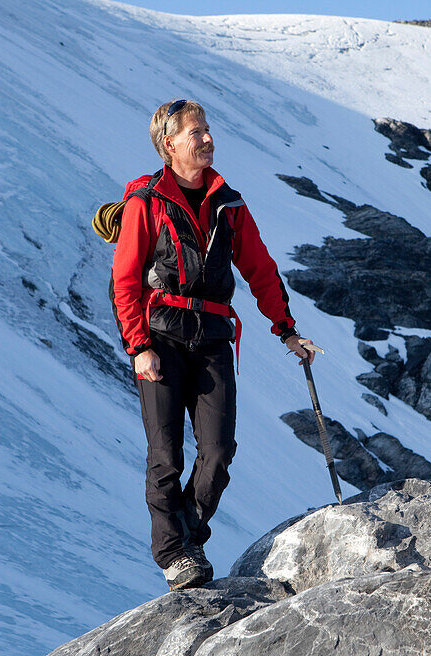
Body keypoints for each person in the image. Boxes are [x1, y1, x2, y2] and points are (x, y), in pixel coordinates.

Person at [110, 99, 317, 591]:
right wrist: (139, 346)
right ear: (169, 144)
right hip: (159, 338)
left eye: (207, 130)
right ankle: (175, 554)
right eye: (196, 132)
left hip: (213, 340)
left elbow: (259, 268)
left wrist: (285, 328)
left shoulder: (230, 203)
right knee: (166, 455)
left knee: (219, 450)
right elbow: (124, 281)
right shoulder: (145, 204)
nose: (207, 139)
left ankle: (187, 534)